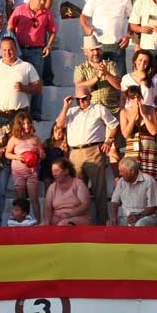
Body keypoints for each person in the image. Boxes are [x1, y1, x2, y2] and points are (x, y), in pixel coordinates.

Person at [55, 86, 119, 225]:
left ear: (90, 97)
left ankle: (102, 223)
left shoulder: (99, 109)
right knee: (77, 191)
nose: (82, 102)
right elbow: (59, 125)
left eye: (84, 99)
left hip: (94, 150)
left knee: (99, 190)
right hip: (75, 152)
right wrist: (66, 106)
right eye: (79, 100)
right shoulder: (71, 111)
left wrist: (109, 141)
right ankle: (80, 223)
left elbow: (114, 125)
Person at [7, 0, 56, 119]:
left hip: (36, 51)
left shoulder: (46, 13)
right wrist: (14, 46)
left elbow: (53, 31)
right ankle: (17, 112)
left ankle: (35, 112)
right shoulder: (20, 10)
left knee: (36, 82)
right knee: (16, 79)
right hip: (19, 50)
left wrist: (49, 46)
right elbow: (10, 27)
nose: (43, 2)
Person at [0, 37, 42, 121]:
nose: (7, 53)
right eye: (4, 50)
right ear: (1, 51)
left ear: (16, 49)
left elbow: (38, 88)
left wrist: (24, 88)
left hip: (21, 115)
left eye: (10, 49)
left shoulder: (27, 66)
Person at [80, 0, 133, 78]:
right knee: (96, 77)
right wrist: (86, 27)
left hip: (118, 45)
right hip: (97, 46)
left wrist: (128, 36)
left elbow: (133, 19)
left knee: (120, 78)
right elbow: (83, 16)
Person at [5, 111, 44, 223]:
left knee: (34, 199)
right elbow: (7, 153)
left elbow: (40, 154)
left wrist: (41, 155)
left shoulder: (35, 139)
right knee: (20, 201)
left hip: (32, 173)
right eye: (23, 124)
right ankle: (21, 223)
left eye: (28, 123)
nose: (26, 126)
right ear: (19, 125)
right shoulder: (14, 139)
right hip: (18, 173)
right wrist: (17, 157)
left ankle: (38, 222)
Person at [73, 34, 121, 116]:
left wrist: (106, 73)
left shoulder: (110, 65)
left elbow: (119, 85)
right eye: (92, 50)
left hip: (112, 110)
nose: (96, 53)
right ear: (85, 52)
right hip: (91, 112)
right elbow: (79, 86)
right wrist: (97, 77)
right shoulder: (80, 68)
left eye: (97, 49)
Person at [120, 85, 157, 181]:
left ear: (141, 97)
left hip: (149, 151)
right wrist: (133, 117)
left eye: (138, 97)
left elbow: (154, 131)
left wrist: (144, 115)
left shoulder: (150, 110)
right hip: (132, 151)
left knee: (150, 181)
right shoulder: (124, 112)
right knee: (132, 178)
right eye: (133, 98)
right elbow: (125, 134)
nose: (136, 100)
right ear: (129, 100)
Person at [109, 157, 157, 226]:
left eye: (122, 171)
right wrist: (113, 217)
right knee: (111, 225)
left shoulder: (148, 181)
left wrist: (138, 216)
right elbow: (114, 201)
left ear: (132, 171)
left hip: (145, 216)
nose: (120, 174)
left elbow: (154, 205)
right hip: (126, 217)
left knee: (140, 224)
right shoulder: (121, 181)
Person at [42, 157, 91, 226]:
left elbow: (85, 205)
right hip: (57, 218)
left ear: (66, 171)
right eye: (52, 171)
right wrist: (46, 221)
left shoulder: (78, 184)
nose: (54, 174)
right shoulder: (52, 187)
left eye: (56, 171)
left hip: (76, 217)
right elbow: (47, 208)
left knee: (63, 224)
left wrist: (69, 214)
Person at [39, 122, 69, 193]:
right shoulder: (48, 142)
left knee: (57, 188)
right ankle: (47, 203)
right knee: (48, 187)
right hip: (47, 168)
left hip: (58, 170)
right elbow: (40, 151)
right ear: (52, 131)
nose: (58, 134)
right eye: (56, 131)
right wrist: (41, 154)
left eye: (60, 132)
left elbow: (66, 159)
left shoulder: (64, 145)